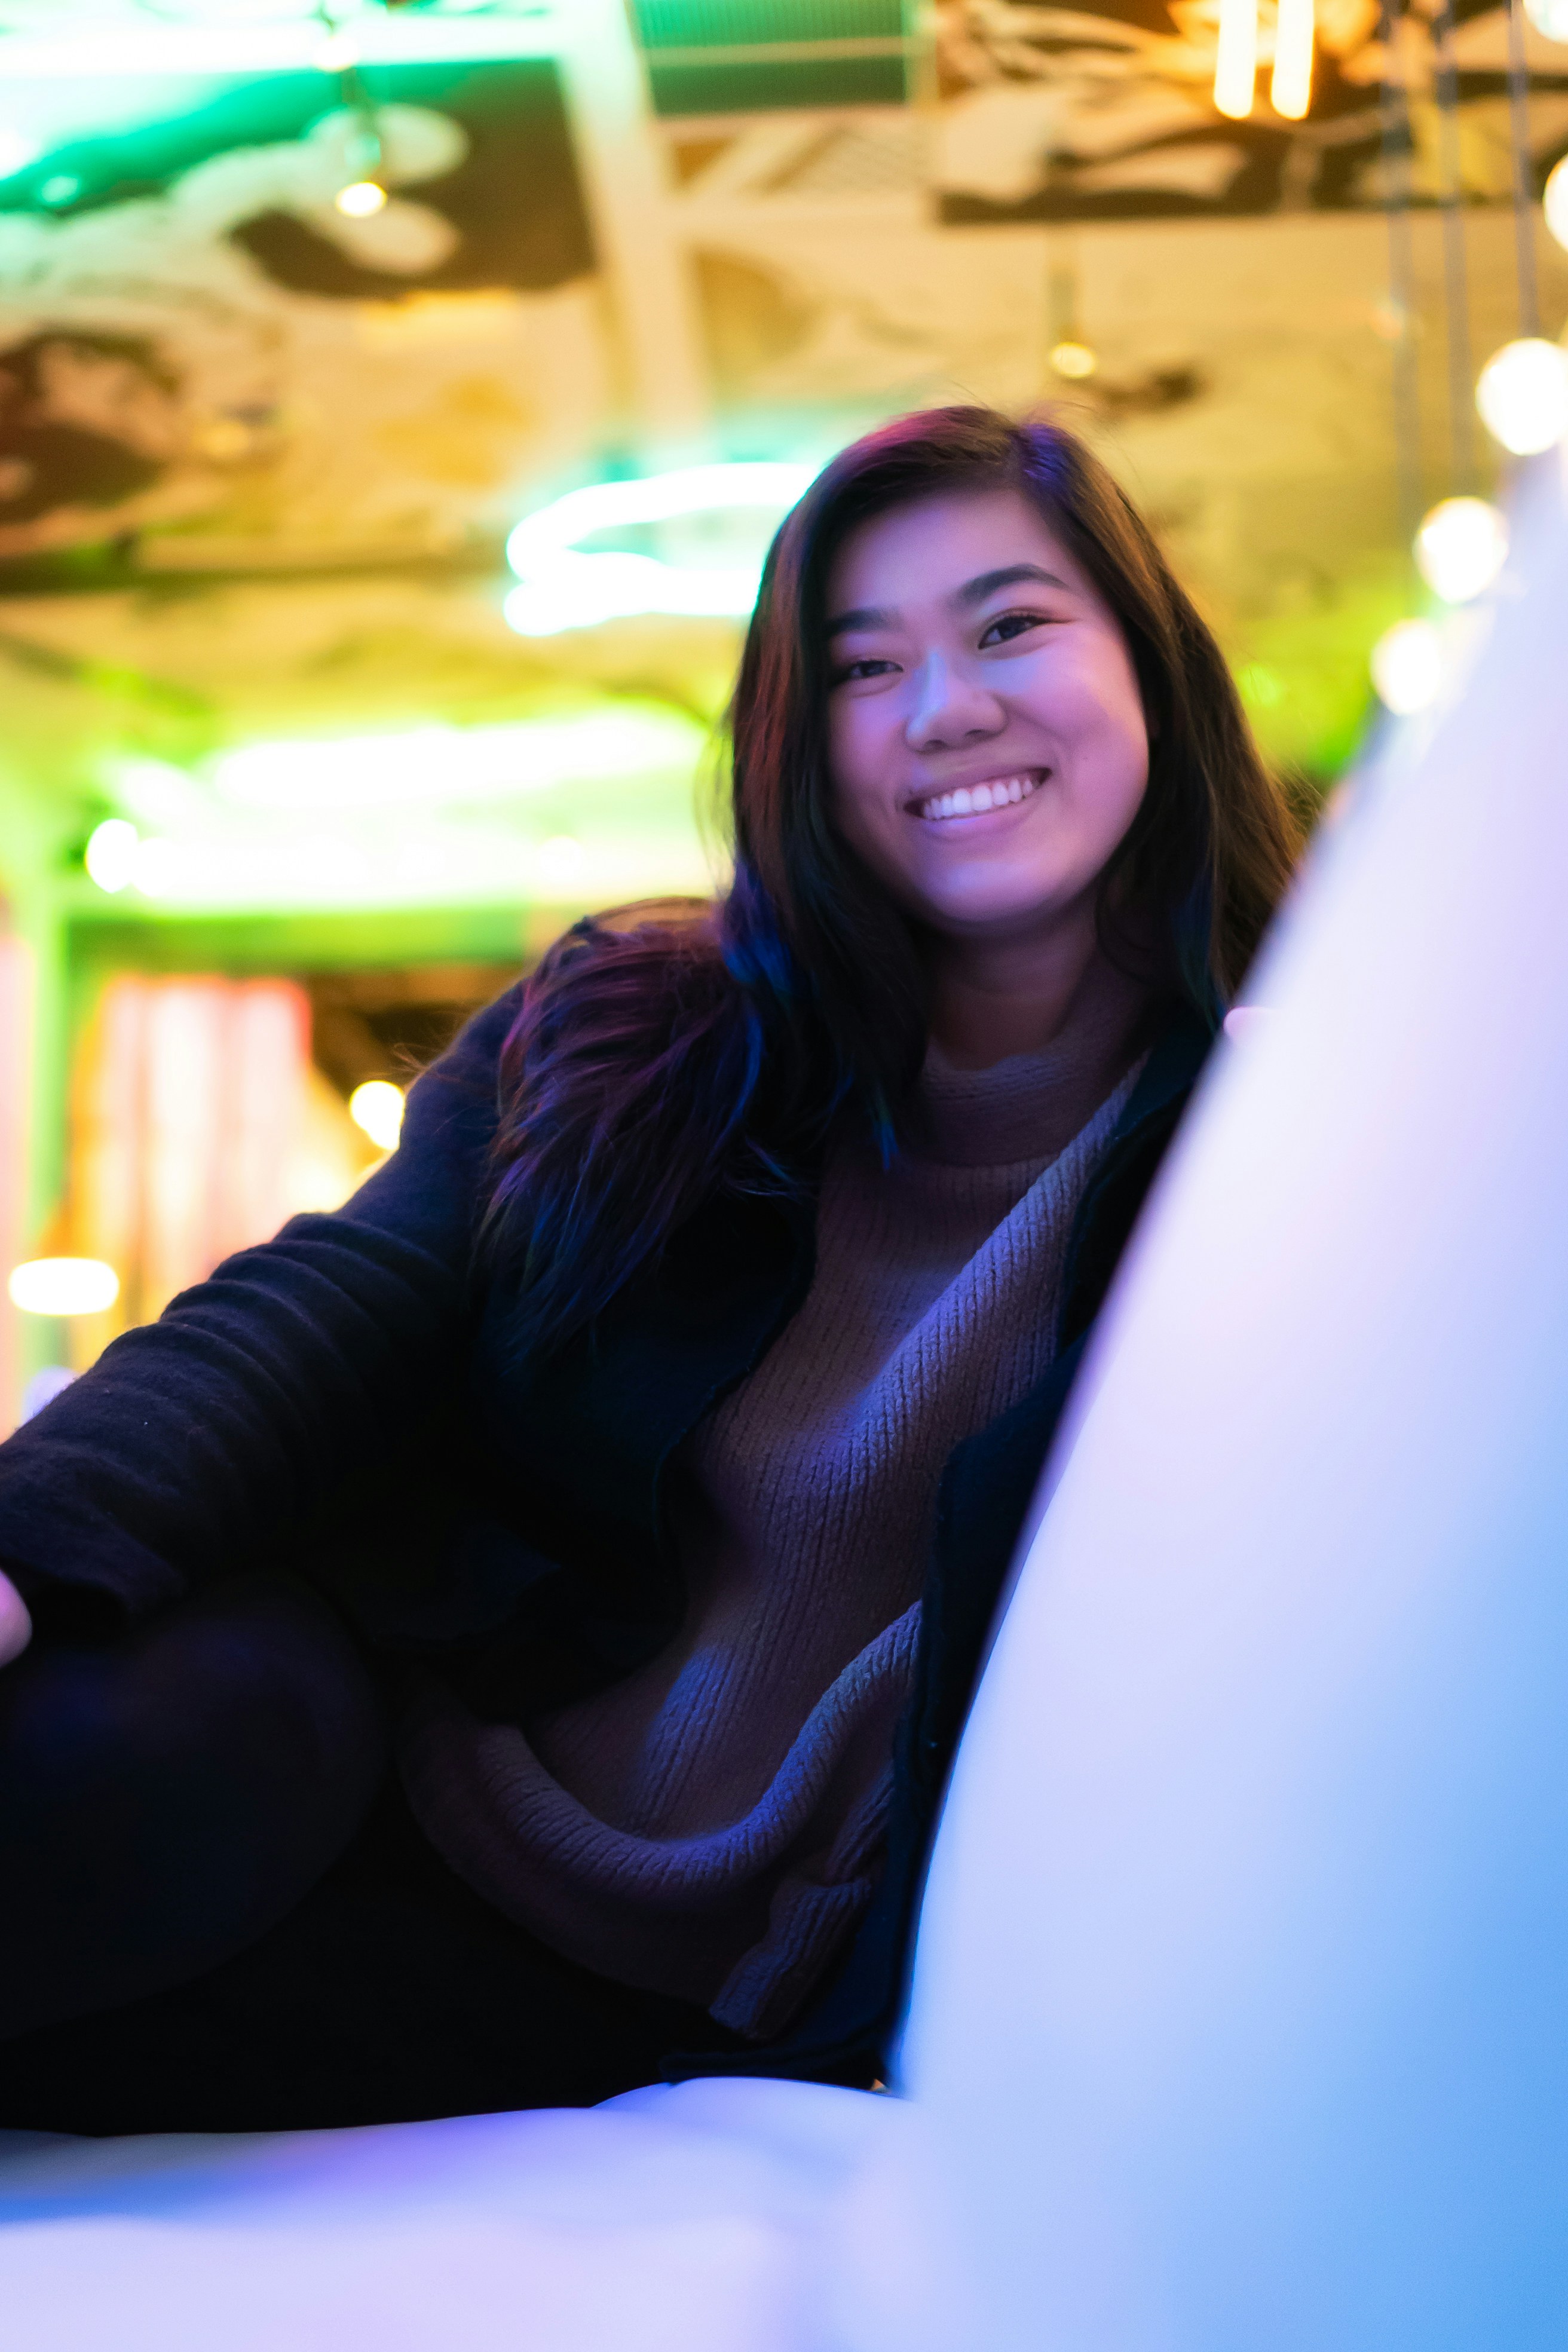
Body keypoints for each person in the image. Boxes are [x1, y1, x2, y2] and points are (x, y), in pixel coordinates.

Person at [0, 405, 1300, 2133]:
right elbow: (336, 1304)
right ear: (799, 740)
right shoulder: (632, 1027)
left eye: (1011, 624)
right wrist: (27, 1543)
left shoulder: (1293, 1127)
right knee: (106, 1750)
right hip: (408, 1757)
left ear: (1148, 664)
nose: (946, 709)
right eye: (861, 666)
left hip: (702, 1982)